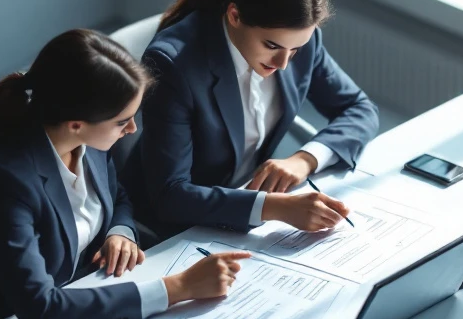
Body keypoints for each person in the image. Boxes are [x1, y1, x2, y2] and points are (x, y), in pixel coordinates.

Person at [0, 29, 250, 319]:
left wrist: (119, 232)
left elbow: (117, 195)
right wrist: (177, 288)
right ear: (76, 123)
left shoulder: (84, 137)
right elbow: (42, 312)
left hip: (69, 296)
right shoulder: (0, 179)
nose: (132, 129)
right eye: (122, 121)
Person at [122, 0, 379, 242]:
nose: (283, 63)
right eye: (272, 46)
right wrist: (272, 207)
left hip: (245, 204)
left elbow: (360, 109)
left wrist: (305, 160)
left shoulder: (300, 41)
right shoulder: (174, 64)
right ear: (235, 15)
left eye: (295, 50)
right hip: (169, 227)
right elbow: (170, 196)